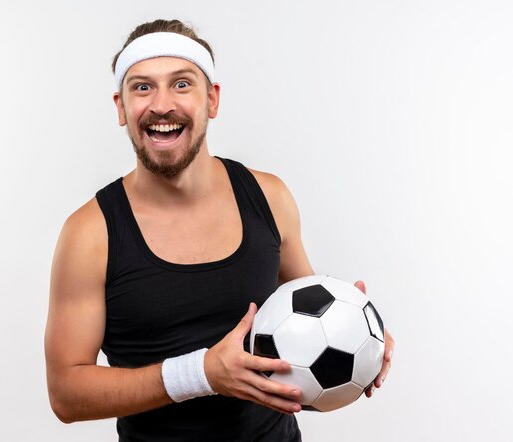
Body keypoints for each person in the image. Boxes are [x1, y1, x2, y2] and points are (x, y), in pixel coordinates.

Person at [44, 19, 394, 441]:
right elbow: (66, 394)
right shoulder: (91, 234)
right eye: (142, 87)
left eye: (181, 84)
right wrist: (201, 374)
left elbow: (304, 327)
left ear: (211, 99)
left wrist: (359, 333)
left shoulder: (269, 197)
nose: (160, 105)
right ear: (121, 108)